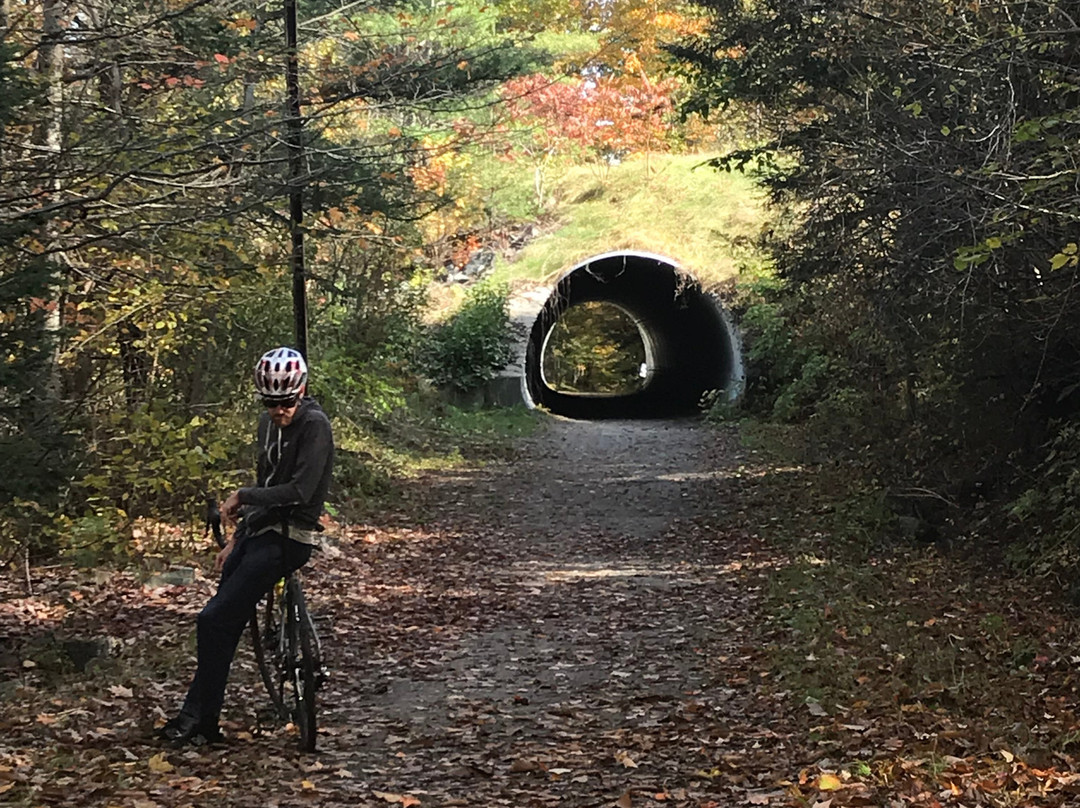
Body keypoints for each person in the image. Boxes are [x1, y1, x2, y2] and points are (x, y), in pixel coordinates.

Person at [157, 346, 335, 746]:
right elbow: (268, 481)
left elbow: (301, 491)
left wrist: (244, 496)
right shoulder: (266, 425)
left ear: (301, 391)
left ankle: (199, 719)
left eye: (287, 402)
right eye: (271, 403)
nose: (279, 411)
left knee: (214, 620)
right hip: (260, 533)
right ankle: (201, 715)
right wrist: (236, 537)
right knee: (219, 620)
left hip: (292, 536)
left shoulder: (315, 426)